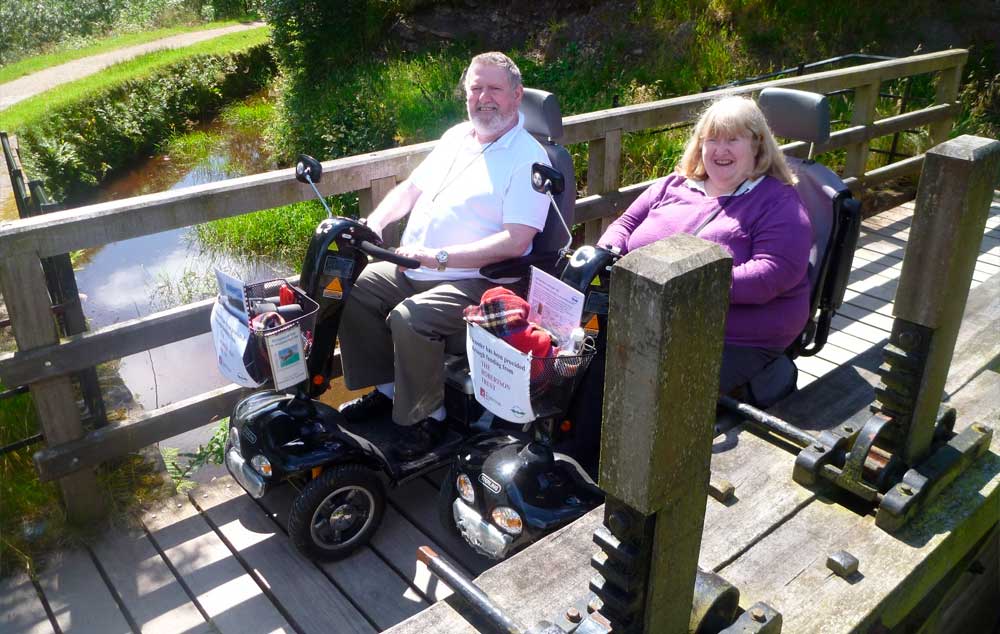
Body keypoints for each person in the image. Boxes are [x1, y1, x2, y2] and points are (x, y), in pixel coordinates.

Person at [337, 52, 551, 459]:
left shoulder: (529, 159)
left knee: (410, 319)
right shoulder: (457, 136)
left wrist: (439, 257)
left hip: (481, 280)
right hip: (420, 266)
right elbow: (410, 190)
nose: (483, 97)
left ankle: (425, 420)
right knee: (358, 288)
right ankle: (388, 392)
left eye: (494, 88)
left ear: (517, 95)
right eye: (475, 88)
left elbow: (516, 240)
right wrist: (376, 222)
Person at [598, 95, 812, 394]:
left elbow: (770, 274)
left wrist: (682, 286)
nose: (720, 150)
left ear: (757, 145)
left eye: (732, 140)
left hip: (730, 338)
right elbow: (624, 225)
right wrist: (605, 255)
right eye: (712, 139)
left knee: (644, 388)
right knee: (585, 354)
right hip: (645, 317)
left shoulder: (778, 202)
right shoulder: (675, 184)